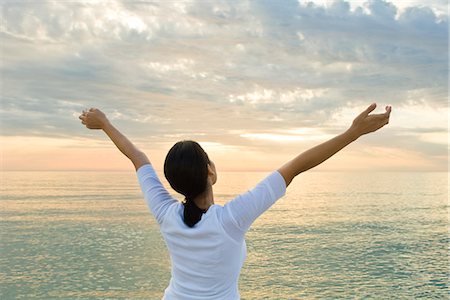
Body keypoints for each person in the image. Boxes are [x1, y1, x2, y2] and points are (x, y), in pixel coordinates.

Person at [79, 103, 391, 299]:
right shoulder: (231, 219)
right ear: (211, 171)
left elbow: (138, 158)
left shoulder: (165, 212)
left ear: (172, 184)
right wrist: (353, 133)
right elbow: (295, 167)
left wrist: (105, 123)